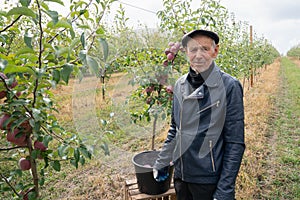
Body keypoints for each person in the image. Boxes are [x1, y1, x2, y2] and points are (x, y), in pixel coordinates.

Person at [153, 29, 245, 200]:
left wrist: (225, 189)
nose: (199, 55)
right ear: (186, 52)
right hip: (182, 176)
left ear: (215, 51)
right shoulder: (179, 85)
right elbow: (175, 128)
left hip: (208, 180)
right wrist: (163, 161)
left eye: (204, 48)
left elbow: (235, 142)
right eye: (193, 50)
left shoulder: (229, 86)